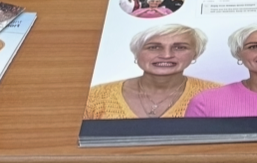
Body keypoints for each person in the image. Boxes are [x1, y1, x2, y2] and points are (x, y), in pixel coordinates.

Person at [83, 23, 219, 119]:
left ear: (195, 54)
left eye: (180, 47)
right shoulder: (95, 96)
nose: (166, 55)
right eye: (153, 47)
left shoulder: (218, 94)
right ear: (137, 53)